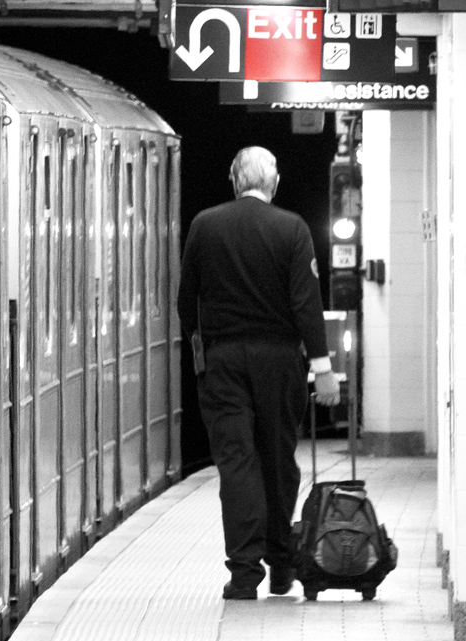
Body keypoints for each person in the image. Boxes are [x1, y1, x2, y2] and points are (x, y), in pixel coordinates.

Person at [177, 146, 341, 600]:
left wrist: (200, 351)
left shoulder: (205, 225)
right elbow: (306, 303)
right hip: (279, 361)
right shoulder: (291, 228)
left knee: (237, 463)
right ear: (274, 183)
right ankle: (282, 565)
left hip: (223, 361)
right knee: (277, 459)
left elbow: (185, 300)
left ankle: (244, 573)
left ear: (234, 180)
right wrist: (323, 368)